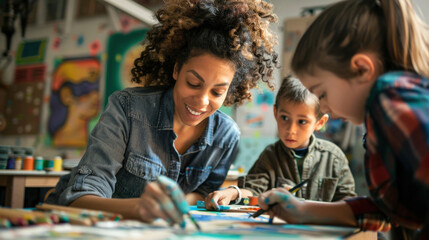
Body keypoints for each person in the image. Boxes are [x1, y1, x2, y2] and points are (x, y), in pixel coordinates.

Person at [46, 0, 279, 228]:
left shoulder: (226, 135)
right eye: (193, 83)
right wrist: (142, 208)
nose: (202, 101)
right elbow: (79, 197)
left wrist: (177, 204)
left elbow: (204, 193)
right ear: (177, 69)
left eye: (217, 92)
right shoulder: (127, 108)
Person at [259, 0, 429, 239]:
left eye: (322, 94)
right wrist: (301, 210)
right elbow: (390, 213)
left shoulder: (389, 95)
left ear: (360, 69)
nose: (323, 107)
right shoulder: (379, 122)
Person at [205, 76, 356, 210]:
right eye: (285, 118)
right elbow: (253, 190)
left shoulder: (334, 158)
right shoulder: (270, 155)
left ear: (319, 122)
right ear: (276, 113)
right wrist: (232, 192)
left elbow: (348, 201)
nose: (291, 130)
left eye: (302, 121)